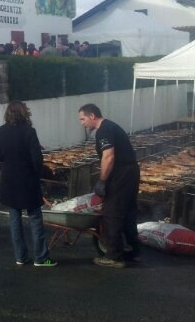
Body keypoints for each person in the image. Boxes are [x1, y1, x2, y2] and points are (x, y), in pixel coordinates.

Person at [78, 103, 140, 268]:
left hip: (121, 174)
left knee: (112, 213)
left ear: (92, 116)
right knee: (128, 212)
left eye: (82, 119)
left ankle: (114, 256)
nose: (82, 123)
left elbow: (108, 157)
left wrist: (102, 180)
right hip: (131, 171)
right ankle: (133, 252)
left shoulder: (104, 130)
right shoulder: (111, 126)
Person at [0, 101, 56, 267]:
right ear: (24, 113)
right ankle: (41, 258)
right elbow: (37, 159)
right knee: (35, 218)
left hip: (9, 180)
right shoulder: (29, 131)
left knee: (14, 218)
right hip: (27, 179)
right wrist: (38, 176)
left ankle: (20, 257)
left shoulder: (0, 131)